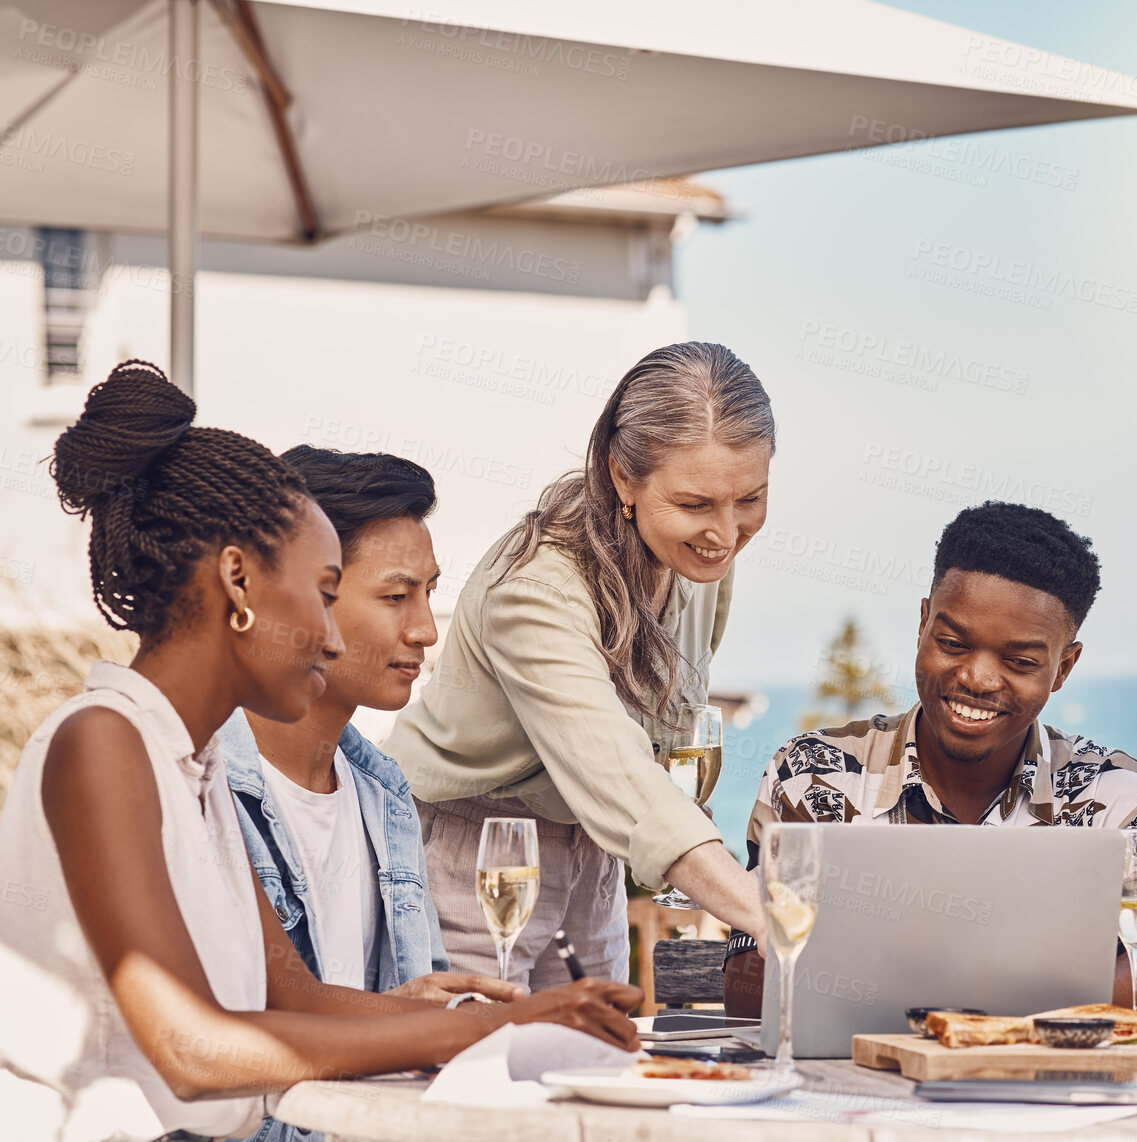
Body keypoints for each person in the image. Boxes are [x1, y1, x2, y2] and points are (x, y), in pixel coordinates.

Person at [0, 362, 641, 1142]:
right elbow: (187, 1047)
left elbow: (291, 995)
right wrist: (478, 1034)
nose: (333, 636)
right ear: (239, 583)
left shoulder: (186, 763)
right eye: (324, 589)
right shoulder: (102, 741)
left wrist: (518, 1019)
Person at [387, 342, 772, 987]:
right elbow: (613, 768)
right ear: (624, 476)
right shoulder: (536, 588)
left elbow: (662, 740)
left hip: (594, 856)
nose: (726, 534)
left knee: (595, 1065)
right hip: (473, 854)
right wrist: (765, 915)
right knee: (466, 1074)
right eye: (695, 505)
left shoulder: (696, 565)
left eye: (750, 499)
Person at [724, 501, 1137, 1017]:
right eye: (952, 643)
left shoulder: (1115, 794)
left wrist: (910, 985)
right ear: (923, 624)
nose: (978, 679)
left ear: (1063, 668)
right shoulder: (813, 772)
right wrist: (1017, 984)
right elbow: (748, 985)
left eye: (1020, 662)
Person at [219, 446, 519, 1019]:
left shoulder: (382, 793)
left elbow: (420, 999)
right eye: (395, 597)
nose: (426, 631)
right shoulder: (201, 781)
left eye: (428, 594)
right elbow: (222, 1024)